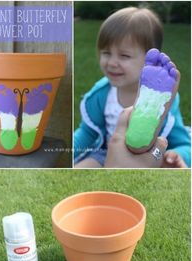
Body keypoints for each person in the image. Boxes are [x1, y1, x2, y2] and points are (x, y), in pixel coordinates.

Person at [74, 7, 191, 168]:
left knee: (163, 160)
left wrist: (177, 155)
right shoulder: (102, 94)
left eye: (124, 55)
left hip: (153, 154)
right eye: (106, 53)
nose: (112, 62)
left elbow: (184, 143)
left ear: (150, 60)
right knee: (83, 167)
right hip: (107, 153)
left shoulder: (165, 101)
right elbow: (87, 132)